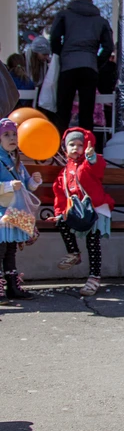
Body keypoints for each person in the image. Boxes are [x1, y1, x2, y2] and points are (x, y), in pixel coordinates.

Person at [52, 128, 114, 296]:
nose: (76, 148)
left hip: (94, 209)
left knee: (92, 241)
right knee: (61, 221)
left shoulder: (88, 164)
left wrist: (91, 157)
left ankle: (94, 277)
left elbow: (97, 166)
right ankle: (73, 252)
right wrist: (59, 211)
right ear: (65, 148)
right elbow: (60, 194)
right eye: (71, 144)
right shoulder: (64, 173)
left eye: (80, 144)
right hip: (76, 211)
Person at [49, 0, 114, 135]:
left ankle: (60, 148)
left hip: (68, 67)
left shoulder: (64, 15)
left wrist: (60, 54)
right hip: (89, 67)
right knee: (87, 113)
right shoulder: (101, 21)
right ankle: (87, 149)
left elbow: (54, 38)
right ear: (91, 1)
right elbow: (108, 47)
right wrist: (96, 63)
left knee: (63, 111)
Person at [0, 119, 43, 300]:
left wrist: (34, 181)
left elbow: (26, 186)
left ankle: (12, 286)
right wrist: (10, 186)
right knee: (0, 249)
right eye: (6, 135)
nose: (12, 138)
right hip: (3, 212)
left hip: (16, 212)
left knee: (11, 250)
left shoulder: (16, 160)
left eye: (14, 134)